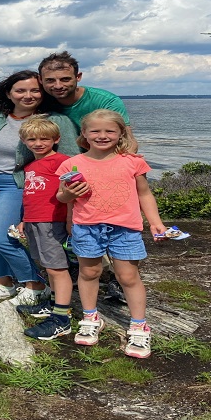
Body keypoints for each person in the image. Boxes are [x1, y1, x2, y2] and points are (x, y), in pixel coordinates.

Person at [56, 109, 166, 358]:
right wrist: (69, 197)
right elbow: (62, 197)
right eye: (95, 130)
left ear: (120, 133)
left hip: (125, 228)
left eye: (109, 131)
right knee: (89, 272)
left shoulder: (133, 162)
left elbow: (144, 193)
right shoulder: (71, 164)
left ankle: (139, 325)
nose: (102, 135)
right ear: (84, 133)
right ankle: (90, 317)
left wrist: (155, 222)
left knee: (128, 276)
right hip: (87, 227)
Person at [0, 71, 80, 307]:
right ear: (9, 93)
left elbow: (70, 161)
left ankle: (35, 284)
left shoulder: (54, 120)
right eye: (20, 90)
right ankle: (2, 283)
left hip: (15, 183)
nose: (28, 95)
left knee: (1, 237)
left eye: (34, 90)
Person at [39, 50, 137, 302]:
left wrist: (115, 170)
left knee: (112, 223)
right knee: (75, 224)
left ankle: (116, 277)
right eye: (50, 80)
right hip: (65, 169)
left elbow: (128, 141)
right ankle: (77, 267)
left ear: (78, 77)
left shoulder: (105, 100)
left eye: (65, 79)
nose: (58, 85)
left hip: (102, 168)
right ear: (41, 81)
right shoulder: (42, 101)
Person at [13, 116, 74, 341]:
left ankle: (62, 318)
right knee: (48, 266)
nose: (38, 143)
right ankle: (53, 304)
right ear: (24, 141)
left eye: (44, 139)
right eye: (32, 139)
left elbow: (71, 193)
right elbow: (31, 197)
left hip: (53, 221)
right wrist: (24, 220)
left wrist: (70, 220)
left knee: (58, 268)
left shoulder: (62, 162)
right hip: (34, 221)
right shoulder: (30, 166)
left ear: (56, 139)